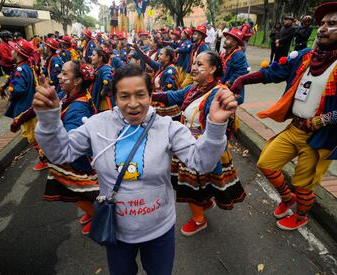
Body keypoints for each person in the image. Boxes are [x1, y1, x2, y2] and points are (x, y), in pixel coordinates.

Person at [33, 63, 237, 275]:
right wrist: (49, 120)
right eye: (124, 96)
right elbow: (60, 153)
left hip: (160, 231)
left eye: (141, 95)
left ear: (151, 95)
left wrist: (215, 126)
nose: (133, 104)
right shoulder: (97, 125)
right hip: (117, 232)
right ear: (114, 97)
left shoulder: (167, 127)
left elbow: (201, 162)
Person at [231, 2, 337, 230]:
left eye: (332, 24)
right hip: (295, 128)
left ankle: (300, 217)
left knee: (304, 183)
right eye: (323, 23)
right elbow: (273, 72)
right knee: (266, 162)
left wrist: (320, 121)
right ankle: (287, 198)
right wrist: (242, 80)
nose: (322, 28)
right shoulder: (308, 56)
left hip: (319, 138)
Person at [152, 51, 245, 235]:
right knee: (199, 183)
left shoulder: (219, 93)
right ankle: (204, 203)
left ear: (213, 69)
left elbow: (226, 127)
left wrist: (207, 142)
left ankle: (199, 220)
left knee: (191, 186)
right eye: (194, 63)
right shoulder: (194, 88)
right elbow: (172, 96)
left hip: (201, 146)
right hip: (187, 143)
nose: (193, 67)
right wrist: (148, 95)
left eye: (200, 64)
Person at [42, 60, 98, 235]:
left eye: (65, 74)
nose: (59, 76)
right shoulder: (68, 96)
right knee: (81, 194)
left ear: (78, 81)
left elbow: (69, 144)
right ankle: (92, 212)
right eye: (61, 72)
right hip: (78, 158)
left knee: (77, 192)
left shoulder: (77, 109)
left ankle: (99, 218)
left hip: (78, 161)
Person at [3, 39, 48, 172]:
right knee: (36, 135)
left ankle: (45, 160)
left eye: (13, 49)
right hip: (32, 106)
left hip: (25, 108)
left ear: (18, 53)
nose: (11, 51)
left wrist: (11, 94)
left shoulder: (21, 68)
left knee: (33, 137)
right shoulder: (28, 66)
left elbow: (19, 89)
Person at [132, 44, 180, 119]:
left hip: (166, 107)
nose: (158, 56)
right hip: (158, 101)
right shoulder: (161, 67)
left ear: (167, 57)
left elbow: (169, 90)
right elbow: (148, 60)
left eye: (161, 54)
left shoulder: (170, 71)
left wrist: (153, 96)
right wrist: (137, 49)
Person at [221, 28, 250, 105]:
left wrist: (229, 82)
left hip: (232, 90)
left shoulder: (238, 55)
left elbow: (242, 71)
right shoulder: (224, 54)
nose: (224, 40)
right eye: (225, 38)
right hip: (223, 88)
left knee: (227, 111)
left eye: (228, 39)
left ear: (234, 42)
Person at [90, 47, 114, 112]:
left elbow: (108, 76)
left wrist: (105, 87)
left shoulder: (105, 68)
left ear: (100, 58)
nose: (91, 57)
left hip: (103, 105)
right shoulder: (97, 69)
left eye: (93, 55)